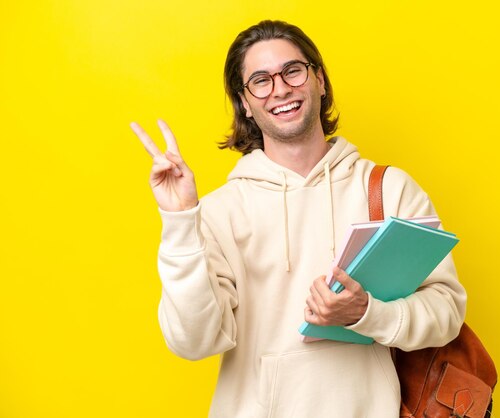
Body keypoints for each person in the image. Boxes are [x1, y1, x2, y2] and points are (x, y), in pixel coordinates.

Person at [132, 20, 466, 418]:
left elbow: (446, 312)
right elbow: (193, 342)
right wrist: (180, 221)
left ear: (319, 80)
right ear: (245, 103)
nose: (280, 89)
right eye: (261, 80)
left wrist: (366, 314)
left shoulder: (388, 189)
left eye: (292, 71)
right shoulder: (220, 211)